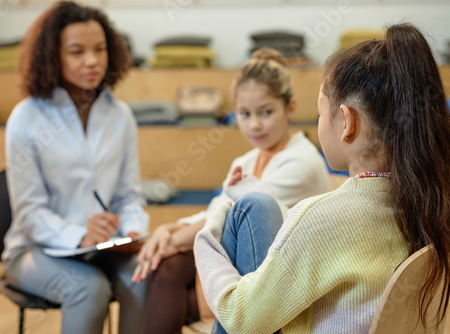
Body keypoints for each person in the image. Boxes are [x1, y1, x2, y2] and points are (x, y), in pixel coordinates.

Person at [194, 22, 450, 334]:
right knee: (258, 204)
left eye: (320, 114)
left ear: (346, 122)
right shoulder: (432, 204)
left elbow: (240, 318)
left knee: (246, 210)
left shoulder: (319, 219)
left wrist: (209, 233)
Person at [133, 48, 331, 334]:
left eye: (266, 112)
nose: (255, 124)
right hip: (242, 262)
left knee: (168, 269)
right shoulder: (246, 161)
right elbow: (216, 210)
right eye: (244, 114)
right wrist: (171, 229)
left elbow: (231, 217)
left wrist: (173, 238)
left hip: (280, 275)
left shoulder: (302, 161)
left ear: (289, 108)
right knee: (166, 267)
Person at [2, 2, 149, 333]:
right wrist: (79, 233)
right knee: (88, 288)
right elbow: (29, 212)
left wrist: (133, 229)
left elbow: (129, 196)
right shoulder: (26, 118)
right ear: (52, 55)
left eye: (100, 49)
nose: (92, 61)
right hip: (34, 250)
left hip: (102, 249)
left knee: (145, 274)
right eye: (76, 51)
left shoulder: (120, 115)